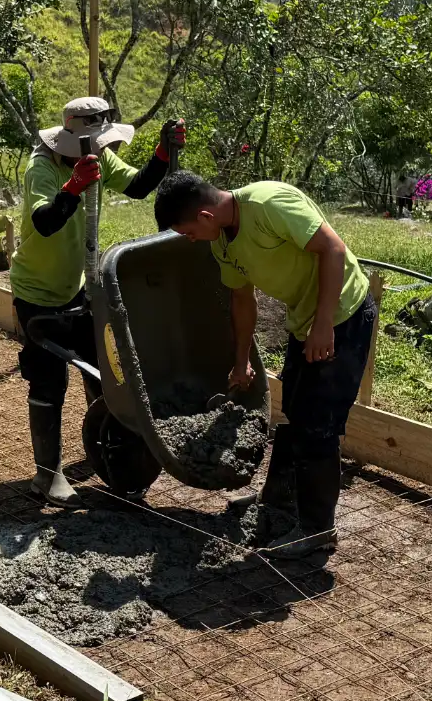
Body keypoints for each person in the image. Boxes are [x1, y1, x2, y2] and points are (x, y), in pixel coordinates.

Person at [154, 170, 375, 556]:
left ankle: (316, 530)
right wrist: (241, 361)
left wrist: (324, 324)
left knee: (318, 427)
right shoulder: (221, 243)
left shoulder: (269, 203)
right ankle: (279, 502)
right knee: (295, 412)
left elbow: (333, 249)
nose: (189, 239)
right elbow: (242, 299)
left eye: (187, 231)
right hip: (306, 321)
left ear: (205, 216)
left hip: (342, 316)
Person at [12, 96, 185, 503]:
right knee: (49, 378)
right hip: (37, 292)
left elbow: (140, 186)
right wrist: (73, 187)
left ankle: (109, 449)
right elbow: (45, 222)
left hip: (80, 287)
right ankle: (47, 475)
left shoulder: (100, 158)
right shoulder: (43, 166)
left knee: (103, 369)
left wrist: (163, 152)